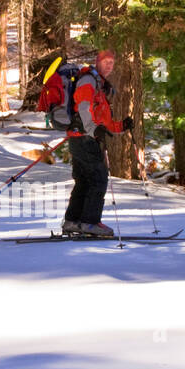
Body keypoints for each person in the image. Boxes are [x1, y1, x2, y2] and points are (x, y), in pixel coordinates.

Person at [62, 49, 134, 236]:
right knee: (98, 179)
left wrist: (121, 126)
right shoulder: (89, 80)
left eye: (112, 62)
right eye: (106, 61)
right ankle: (90, 223)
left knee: (84, 181)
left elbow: (104, 123)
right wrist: (93, 129)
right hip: (84, 138)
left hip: (82, 137)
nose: (109, 65)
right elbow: (84, 106)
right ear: (98, 62)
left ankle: (73, 221)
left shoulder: (100, 85)